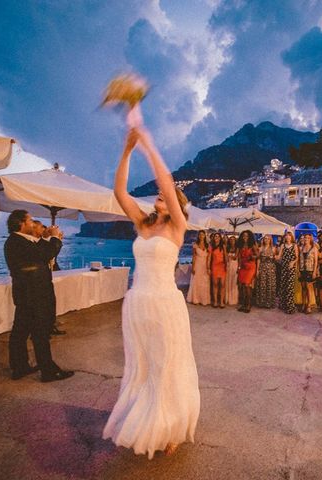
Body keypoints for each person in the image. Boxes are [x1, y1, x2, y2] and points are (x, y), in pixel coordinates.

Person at [102, 108, 200, 459]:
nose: (159, 197)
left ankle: (170, 423)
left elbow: (166, 179)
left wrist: (147, 143)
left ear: (176, 207)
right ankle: (145, 417)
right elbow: (118, 190)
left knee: (167, 365)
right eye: (158, 196)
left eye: (165, 197)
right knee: (142, 366)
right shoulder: (143, 225)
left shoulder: (177, 228)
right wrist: (127, 150)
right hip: (137, 302)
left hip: (164, 303)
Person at [4, 210, 74, 382]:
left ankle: (20, 367)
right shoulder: (17, 242)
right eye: (30, 220)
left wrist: (48, 238)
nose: (33, 223)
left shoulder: (19, 241)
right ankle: (49, 371)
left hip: (28, 295)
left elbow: (39, 253)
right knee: (40, 334)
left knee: (20, 332)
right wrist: (55, 238)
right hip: (33, 296)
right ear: (21, 223)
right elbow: (45, 254)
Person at [32, 220, 66, 336]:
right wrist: (55, 237)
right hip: (37, 280)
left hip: (46, 278)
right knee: (41, 307)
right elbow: (48, 253)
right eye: (41, 228)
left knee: (51, 303)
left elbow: (52, 254)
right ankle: (41, 331)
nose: (44, 229)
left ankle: (50, 326)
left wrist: (57, 239)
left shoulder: (42, 242)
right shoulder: (33, 243)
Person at [187, 230, 211, 306]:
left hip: (205, 265)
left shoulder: (208, 245)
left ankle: (204, 300)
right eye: (200, 234)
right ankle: (195, 299)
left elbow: (209, 258)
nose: (201, 236)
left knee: (205, 282)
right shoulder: (195, 245)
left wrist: (208, 267)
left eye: (203, 234)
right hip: (197, 264)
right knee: (196, 281)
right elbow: (193, 257)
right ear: (198, 236)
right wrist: (193, 267)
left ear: (205, 236)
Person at [277, 231, 298, 314]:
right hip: (284, 267)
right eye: (286, 236)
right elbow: (279, 256)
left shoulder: (294, 246)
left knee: (290, 286)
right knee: (283, 285)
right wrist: (273, 256)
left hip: (291, 267)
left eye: (289, 236)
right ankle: (283, 305)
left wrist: (293, 262)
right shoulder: (282, 245)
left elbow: (297, 257)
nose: (288, 237)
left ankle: (290, 307)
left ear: (291, 237)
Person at [237, 230, 258, 313]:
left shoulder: (252, 245)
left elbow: (257, 255)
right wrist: (238, 267)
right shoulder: (241, 245)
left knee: (247, 285)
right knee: (242, 286)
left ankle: (249, 304)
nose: (245, 237)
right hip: (242, 266)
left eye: (247, 236)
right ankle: (244, 304)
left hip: (250, 267)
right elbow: (239, 257)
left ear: (249, 237)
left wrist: (252, 257)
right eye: (243, 236)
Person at [255, 234, 277, 308]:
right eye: (265, 239)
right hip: (262, 267)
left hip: (271, 268)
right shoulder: (260, 248)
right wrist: (257, 270)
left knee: (270, 285)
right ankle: (261, 302)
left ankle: (269, 303)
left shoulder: (274, 248)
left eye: (268, 239)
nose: (266, 240)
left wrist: (274, 257)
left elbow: (276, 259)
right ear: (263, 240)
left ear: (270, 240)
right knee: (262, 285)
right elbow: (258, 259)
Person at [298, 234, 319, 314]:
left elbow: (316, 261)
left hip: (310, 270)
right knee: (303, 287)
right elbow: (299, 260)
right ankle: (303, 304)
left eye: (308, 238)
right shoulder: (301, 248)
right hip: (302, 269)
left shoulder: (314, 249)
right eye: (305, 238)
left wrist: (314, 272)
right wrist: (299, 271)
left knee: (308, 287)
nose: (306, 239)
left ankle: (309, 305)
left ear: (310, 239)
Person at [209, 232, 227, 308]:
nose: (216, 238)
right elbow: (209, 258)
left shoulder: (223, 246)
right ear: (213, 238)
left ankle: (222, 302)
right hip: (214, 266)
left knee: (222, 285)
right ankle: (216, 301)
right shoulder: (211, 246)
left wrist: (226, 265)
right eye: (215, 236)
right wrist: (208, 267)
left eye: (218, 236)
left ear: (220, 238)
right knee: (215, 284)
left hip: (222, 266)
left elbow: (225, 256)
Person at [225, 235, 239, 306]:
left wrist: (229, 256)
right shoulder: (227, 248)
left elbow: (235, 257)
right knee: (227, 281)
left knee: (233, 281)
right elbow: (226, 257)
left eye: (233, 239)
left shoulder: (237, 248)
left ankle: (233, 299)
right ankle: (227, 298)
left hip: (234, 265)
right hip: (228, 265)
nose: (232, 241)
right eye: (231, 239)